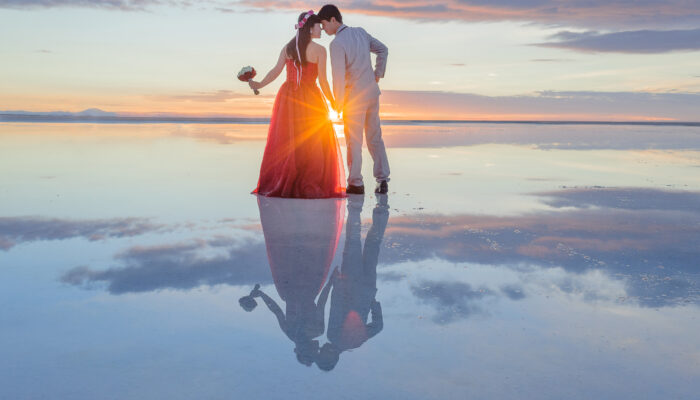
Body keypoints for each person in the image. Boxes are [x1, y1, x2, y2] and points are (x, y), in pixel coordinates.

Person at [249, 11, 345, 198]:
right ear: (310, 28)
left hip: (288, 98)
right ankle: (310, 179)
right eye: (318, 26)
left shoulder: (288, 48)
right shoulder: (320, 50)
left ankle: (288, 180)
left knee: (288, 140)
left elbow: (275, 72)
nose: (321, 29)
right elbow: (324, 82)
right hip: (310, 98)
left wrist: (259, 84)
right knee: (312, 141)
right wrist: (333, 103)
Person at [318, 4, 390, 195]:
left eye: (324, 24)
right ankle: (382, 180)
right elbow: (383, 50)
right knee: (375, 138)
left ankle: (356, 183)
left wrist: (338, 105)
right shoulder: (361, 32)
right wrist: (377, 74)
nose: (324, 30)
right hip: (372, 94)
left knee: (354, 141)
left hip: (354, 99)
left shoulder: (336, 44)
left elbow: (338, 77)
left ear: (333, 19)